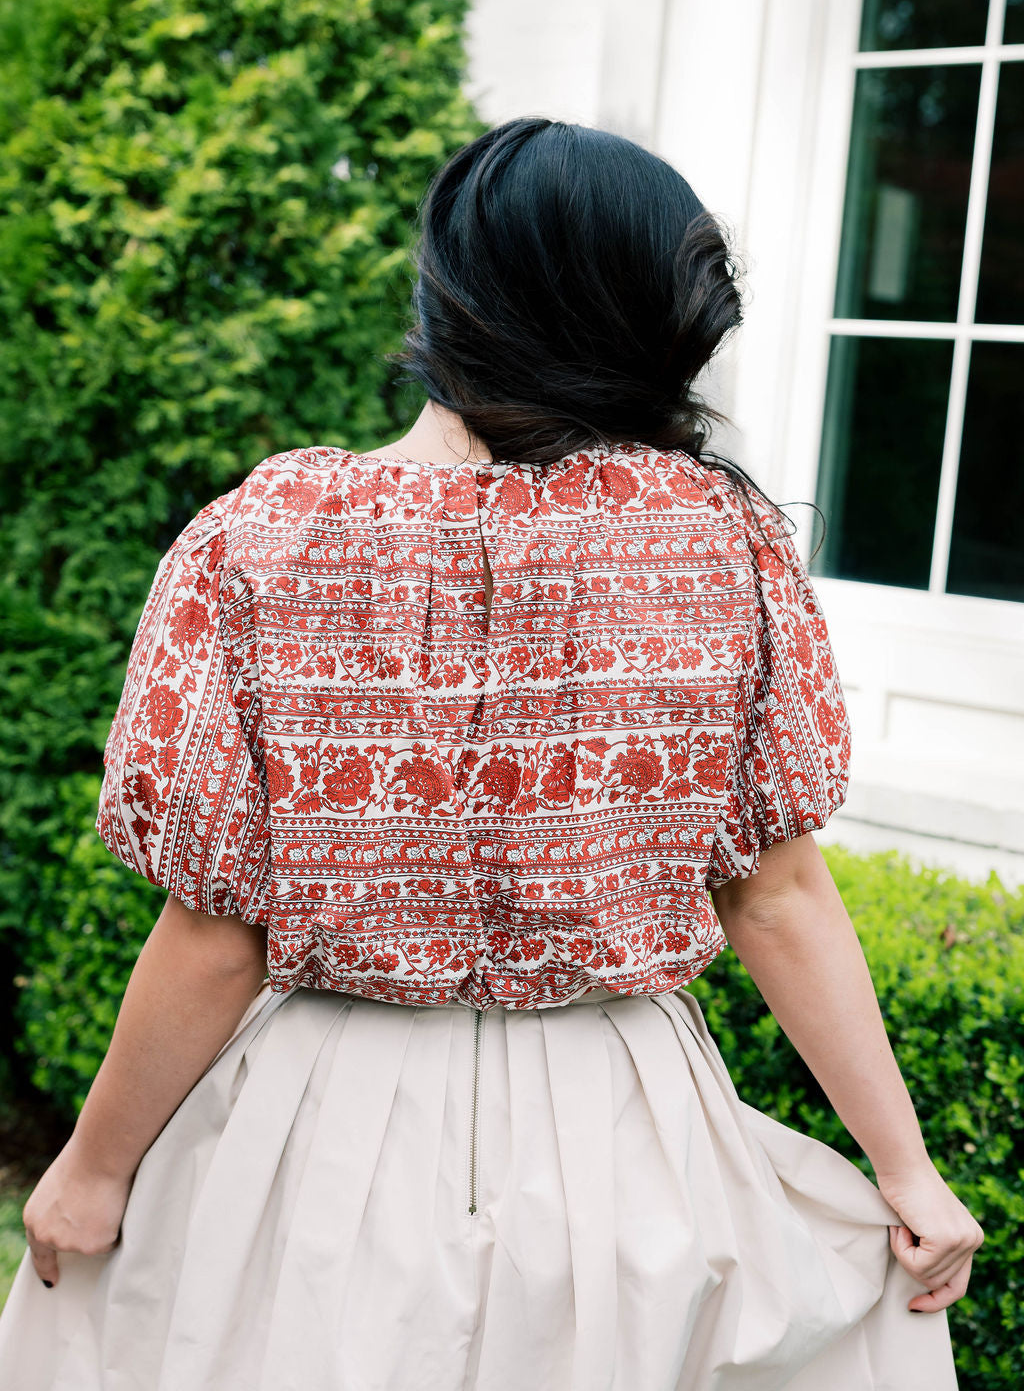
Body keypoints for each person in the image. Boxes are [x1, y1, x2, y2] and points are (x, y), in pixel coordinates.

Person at [0, 118, 982, 1390]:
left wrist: (92, 1169)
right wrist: (904, 1172)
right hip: (624, 1120)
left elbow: (217, 933)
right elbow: (776, 893)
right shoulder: (719, 544)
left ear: (448, 295)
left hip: (323, 1120)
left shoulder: (264, 540)